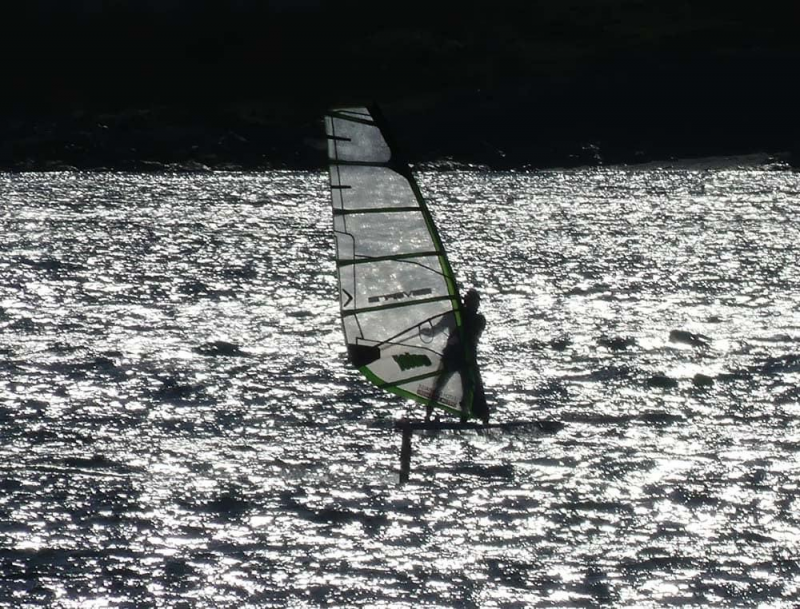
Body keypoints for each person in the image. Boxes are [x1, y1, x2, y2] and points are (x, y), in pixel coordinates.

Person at [423, 288, 489, 423]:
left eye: (477, 304)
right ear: (467, 302)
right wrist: (427, 332)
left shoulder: (479, 319)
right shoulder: (453, 315)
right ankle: (428, 415)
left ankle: (466, 417)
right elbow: (436, 330)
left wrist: (461, 316)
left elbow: (473, 333)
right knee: (438, 385)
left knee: (470, 387)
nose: (476, 306)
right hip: (451, 357)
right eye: (474, 303)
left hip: (467, 359)